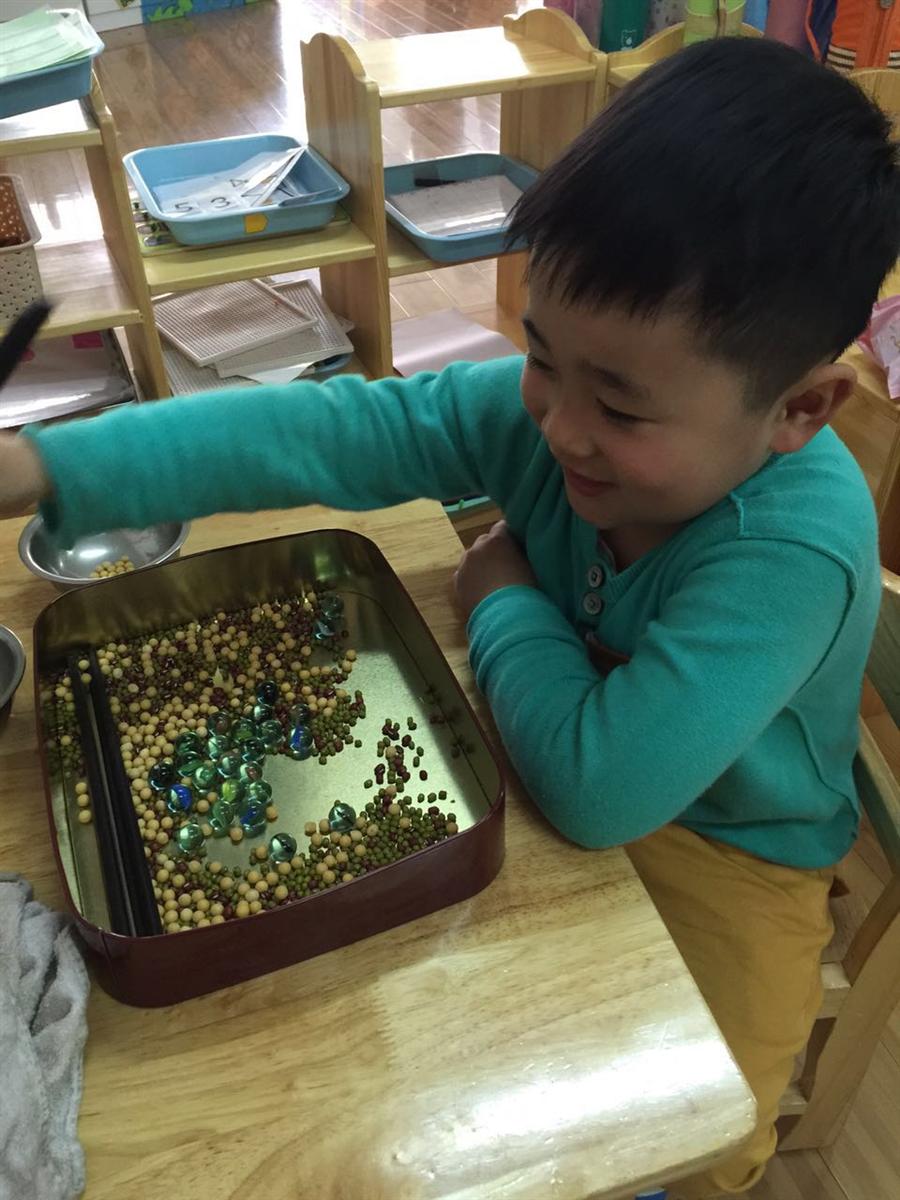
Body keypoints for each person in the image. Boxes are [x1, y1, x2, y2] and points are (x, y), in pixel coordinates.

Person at [2, 36, 898, 1197]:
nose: (558, 426)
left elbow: (601, 789)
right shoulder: (565, 416)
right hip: (546, 758)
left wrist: (502, 594)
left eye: (620, 406)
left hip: (732, 853)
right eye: (541, 357)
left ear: (799, 409)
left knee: (700, 1130)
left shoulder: (791, 545)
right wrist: (48, 466)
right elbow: (325, 432)